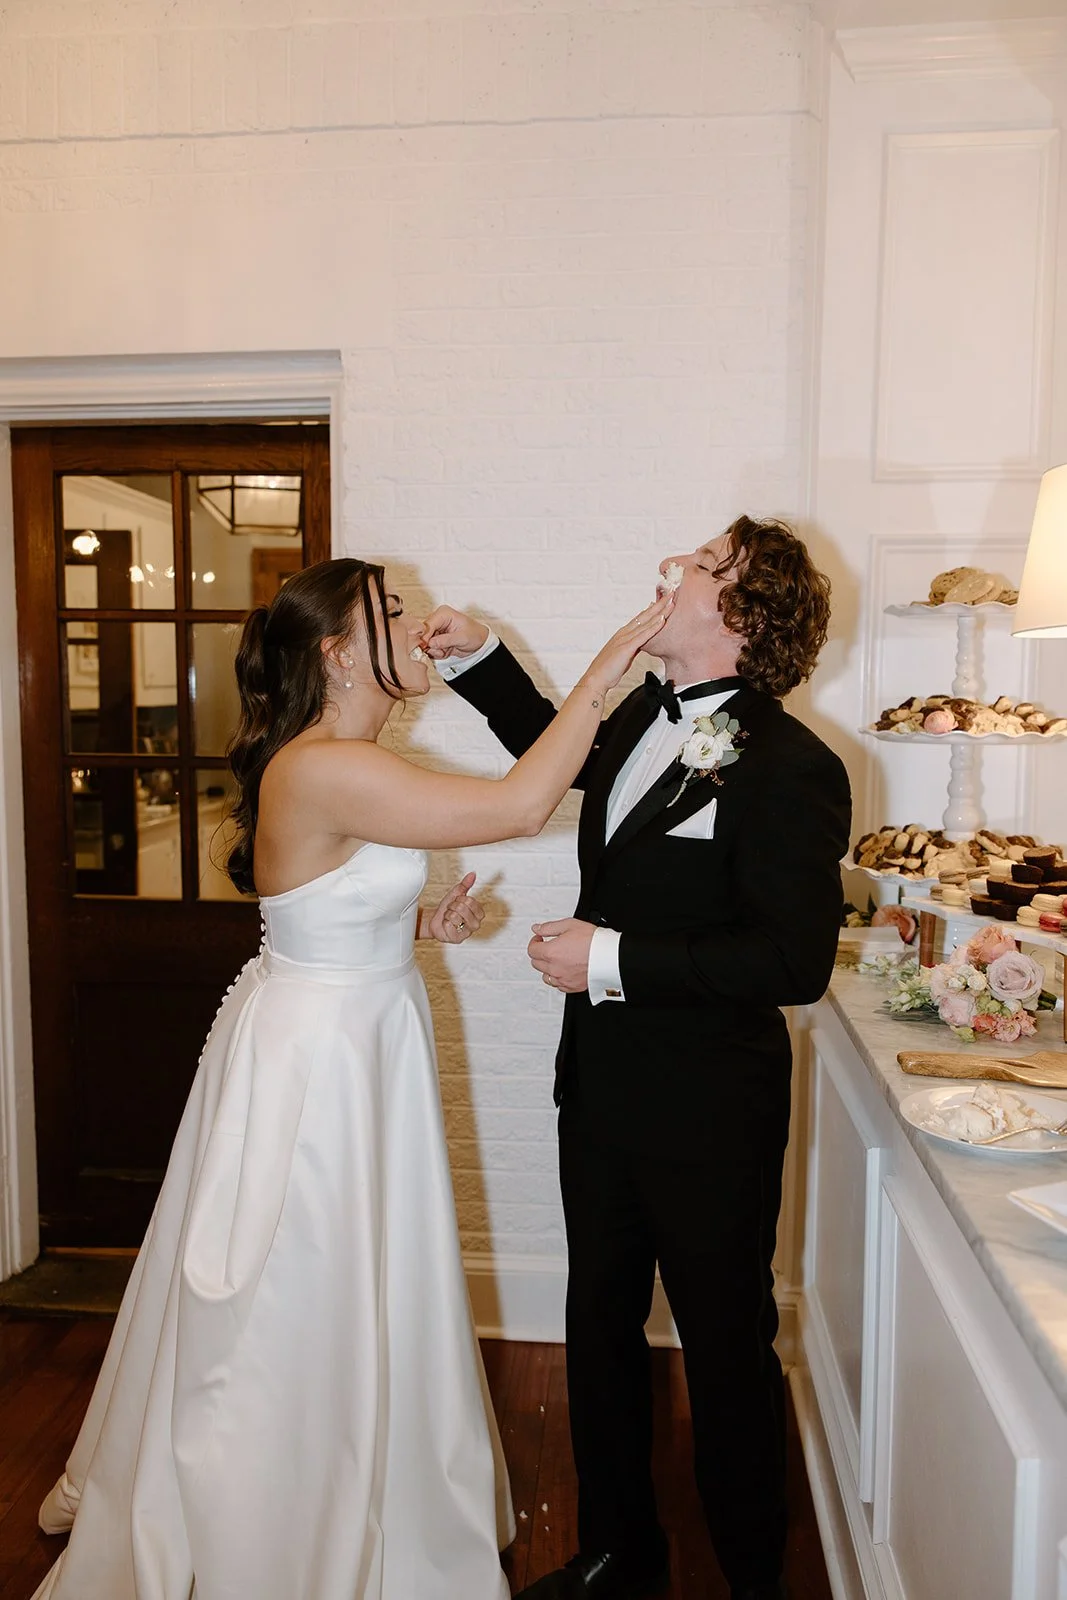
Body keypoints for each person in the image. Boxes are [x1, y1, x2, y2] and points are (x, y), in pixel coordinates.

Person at [31, 557, 673, 1600]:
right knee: (300, 1285)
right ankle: (275, 1510)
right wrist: (611, 662)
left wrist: (410, 919)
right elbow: (518, 806)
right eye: (389, 613)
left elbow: (306, 897)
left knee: (353, 1269)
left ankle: (367, 1475)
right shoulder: (325, 763)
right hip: (320, 1063)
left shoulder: (343, 760)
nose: (414, 624)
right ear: (336, 652)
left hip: (354, 1026)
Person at [424, 516, 852, 1600]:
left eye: (703, 566)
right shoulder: (643, 723)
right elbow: (548, 740)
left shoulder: (795, 766)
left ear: (744, 619)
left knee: (722, 1349)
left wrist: (609, 956)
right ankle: (618, 1554)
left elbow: (791, 958)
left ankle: (754, 1575)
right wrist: (475, 655)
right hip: (602, 1090)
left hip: (713, 1110)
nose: (673, 567)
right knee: (597, 1324)